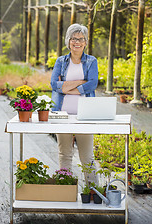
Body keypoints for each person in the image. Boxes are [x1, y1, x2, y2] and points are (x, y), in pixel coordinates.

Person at [51, 23, 98, 184]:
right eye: (73, 38)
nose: (77, 42)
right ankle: (65, 189)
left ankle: (93, 191)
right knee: (64, 154)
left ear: (85, 42)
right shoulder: (60, 61)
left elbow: (92, 84)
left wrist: (65, 86)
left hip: (85, 115)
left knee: (87, 156)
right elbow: (53, 85)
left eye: (80, 39)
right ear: (68, 41)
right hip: (61, 115)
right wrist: (81, 83)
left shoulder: (91, 61)